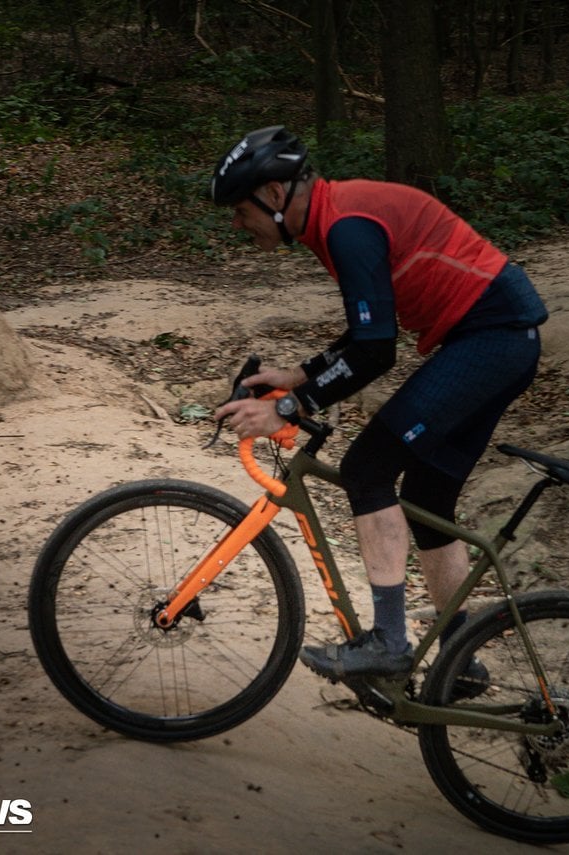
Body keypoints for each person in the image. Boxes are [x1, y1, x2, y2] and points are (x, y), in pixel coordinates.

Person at [211, 126, 547, 684]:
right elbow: (369, 332)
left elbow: (374, 352)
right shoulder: (334, 218)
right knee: (427, 492)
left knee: (367, 468)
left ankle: (390, 641)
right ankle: (461, 658)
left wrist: (288, 408)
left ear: (273, 195)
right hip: (500, 339)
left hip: (492, 338)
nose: (234, 223)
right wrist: (298, 376)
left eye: (239, 209)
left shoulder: (345, 226)